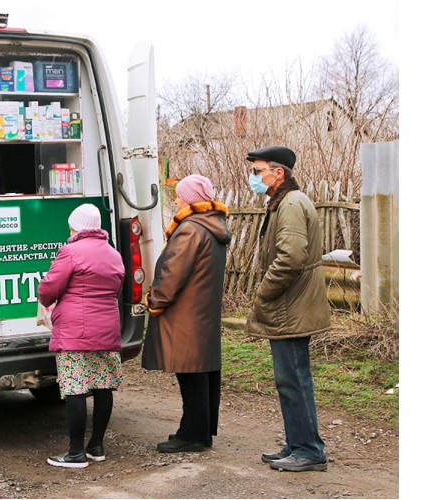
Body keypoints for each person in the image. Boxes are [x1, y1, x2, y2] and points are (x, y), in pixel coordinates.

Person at [245, 146, 330, 472]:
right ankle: (298, 444)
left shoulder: (292, 204)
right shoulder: (283, 202)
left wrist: (264, 293)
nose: (253, 177)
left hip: (290, 307)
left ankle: (310, 450)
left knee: (294, 380)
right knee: (290, 380)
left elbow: (290, 258)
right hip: (289, 307)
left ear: (278, 173)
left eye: (258, 171)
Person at [141, 174, 231, 453]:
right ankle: (201, 431)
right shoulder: (213, 225)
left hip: (185, 313)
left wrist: (155, 300)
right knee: (203, 371)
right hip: (202, 312)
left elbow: (172, 272)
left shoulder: (191, 229)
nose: (177, 200)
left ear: (191, 199)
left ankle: (191, 434)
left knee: (190, 374)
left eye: (181, 196)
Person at [38, 203, 125, 468]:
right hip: (107, 327)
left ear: (76, 226)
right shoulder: (113, 254)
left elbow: (48, 290)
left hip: (75, 331)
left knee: (75, 388)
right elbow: (117, 288)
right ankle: (96, 446)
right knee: (102, 385)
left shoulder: (70, 251)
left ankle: (75, 453)